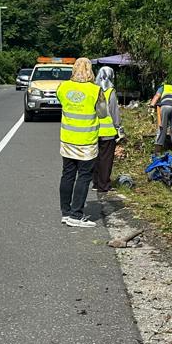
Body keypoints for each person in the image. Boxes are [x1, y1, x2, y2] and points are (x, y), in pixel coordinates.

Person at [56, 57, 109, 228]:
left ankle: (65, 212)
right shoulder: (96, 90)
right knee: (84, 176)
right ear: (90, 70)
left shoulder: (63, 87)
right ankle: (76, 214)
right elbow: (102, 114)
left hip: (67, 139)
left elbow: (63, 103)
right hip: (86, 140)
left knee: (68, 174)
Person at [93, 65, 124, 208]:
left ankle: (95, 182)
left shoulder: (92, 89)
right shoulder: (110, 91)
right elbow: (114, 111)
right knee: (106, 158)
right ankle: (104, 184)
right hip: (107, 130)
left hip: (93, 129)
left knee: (96, 157)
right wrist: (118, 127)